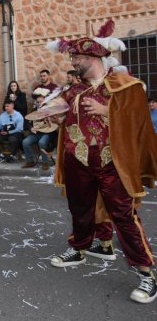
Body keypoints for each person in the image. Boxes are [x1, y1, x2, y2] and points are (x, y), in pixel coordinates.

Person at [47, 19, 157, 304]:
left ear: (93, 58)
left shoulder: (125, 86)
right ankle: (81, 247)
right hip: (78, 160)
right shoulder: (71, 90)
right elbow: (60, 120)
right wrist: (53, 119)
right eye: (72, 56)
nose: (72, 61)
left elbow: (139, 123)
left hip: (112, 161)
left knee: (123, 215)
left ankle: (147, 273)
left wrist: (106, 110)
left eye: (76, 57)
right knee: (79, 208)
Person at [21, 88, 58, 171]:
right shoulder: (34, 110)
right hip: (36, 133)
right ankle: (30, 161)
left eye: (41, 101)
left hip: (47, 133)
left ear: (45, 101)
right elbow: (28, 122)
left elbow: (54, 124)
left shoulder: (51, 110)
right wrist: (31, 128)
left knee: (42, 143)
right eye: (37, 102)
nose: (39, 103)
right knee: (25, 142)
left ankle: (45, 163)